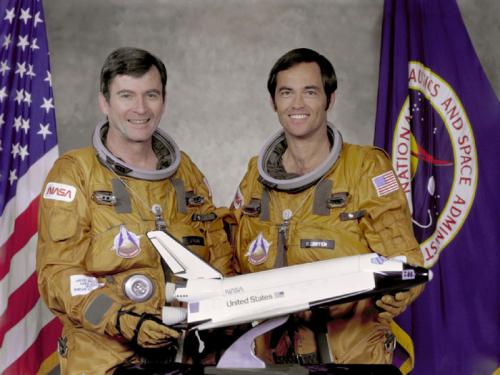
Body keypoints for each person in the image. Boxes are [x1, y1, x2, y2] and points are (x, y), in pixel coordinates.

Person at [36, 47, 233, 374]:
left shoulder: (187, 175)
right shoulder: (75, 173)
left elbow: (220, 256)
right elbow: (59, 275)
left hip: (187, 359)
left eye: (151, 95)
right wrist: (122, 320)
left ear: (163, 101)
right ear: (104, 102)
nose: (140, 109)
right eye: (126, 95)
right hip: (104, 362)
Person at [231, 48, 424, 365]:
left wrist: (398, 291)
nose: (297, 104)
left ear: (329, 99)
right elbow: (233, 257)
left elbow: (404, 256)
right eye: (286, 93)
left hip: (351, 359)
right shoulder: (256, 175)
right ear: (273, 102)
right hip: (273, 360)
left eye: (310, 92)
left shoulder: (365, 168)